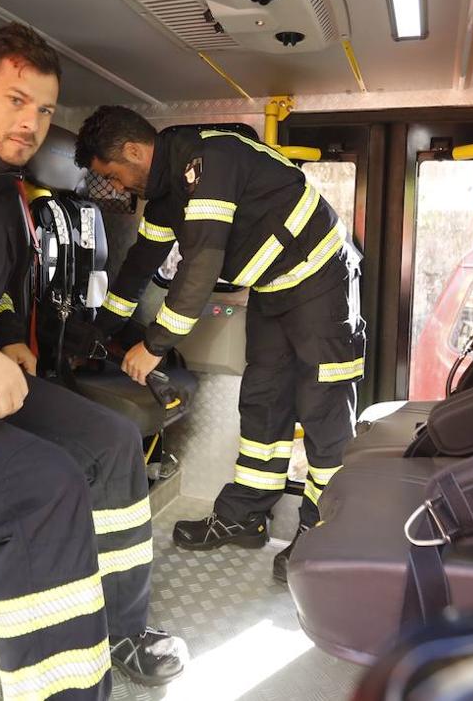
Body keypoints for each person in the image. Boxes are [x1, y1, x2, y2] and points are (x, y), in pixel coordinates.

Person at [0, 26, 186, 698]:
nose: (30, 123)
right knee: (48, 485)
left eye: (44, 110)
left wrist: (5, 337)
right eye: (16, 100)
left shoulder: (4, 185)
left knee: (114, 441)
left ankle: (122, 628)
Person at [72, 108, 364, 582]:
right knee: (262, 400)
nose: (119, 187)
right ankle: (243, 516)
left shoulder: (209, 160)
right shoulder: (165, 191)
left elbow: (201, 264)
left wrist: (155, 345)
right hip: (274, 288)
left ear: (132, 152)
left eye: (114, 176)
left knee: (322, 409)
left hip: (322, 277)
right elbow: (140, 264)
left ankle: (323, 537)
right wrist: (101, 327)